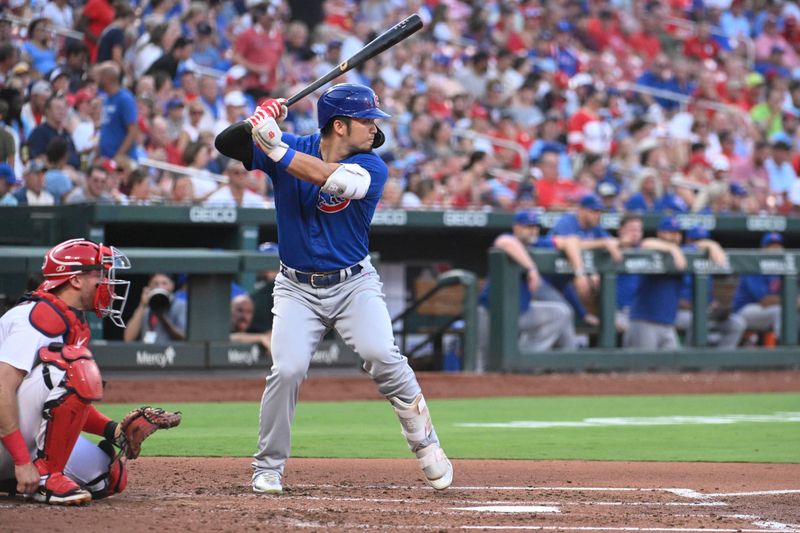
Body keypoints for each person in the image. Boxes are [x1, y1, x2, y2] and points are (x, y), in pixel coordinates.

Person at [215, 83, 453, 494]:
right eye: (366, 120)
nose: (375, 128)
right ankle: (267, 465)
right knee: (286, 369)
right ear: (339, 126)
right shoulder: (293, 142)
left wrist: (273, 148)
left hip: (353, 283)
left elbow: (332, 180)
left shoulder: (373, 166)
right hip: (296, 288)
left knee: (382, 354)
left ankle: (426, 443)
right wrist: (258, 121)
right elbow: (226, 143)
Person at [0, 238, 176, 504]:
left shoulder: (69, 320)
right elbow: (2, 388)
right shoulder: (36, 317)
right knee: (73, 365)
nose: (107, 282)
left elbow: (60, 403)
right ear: (76, 280)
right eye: (100, 274)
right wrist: (23, 461)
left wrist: (113, 431)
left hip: (11, 439)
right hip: (6, 440)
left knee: (107, 477)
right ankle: (46, 477)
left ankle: (21, 479)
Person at [477, 210, 581, 371]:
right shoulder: (509, 239)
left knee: (560, 312)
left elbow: (570, 240)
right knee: (484, 364)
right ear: (516, 228)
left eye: (535, 227)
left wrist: (580, 272)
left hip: (520, 313)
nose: (533, 230)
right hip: (491, 314)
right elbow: (504, 241)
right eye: (527, 227)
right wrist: (531, 269)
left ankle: (524, 363)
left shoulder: (538, 243)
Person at [675, 227, 745, 349]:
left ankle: (718, 363)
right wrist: (712, 245)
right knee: (697, 319)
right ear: (688, 240)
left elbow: (709, 298)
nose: (702, 244)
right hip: (681, 313)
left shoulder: (708, 262)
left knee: (737, 324)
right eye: (696, 240)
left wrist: (716, 307)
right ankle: (690, 361)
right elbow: (675, 300)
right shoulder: (681, 256)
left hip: (704, 313)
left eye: (704, 240)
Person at [731, 232, 789, 338]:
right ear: (763, 248)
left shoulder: (783, 267)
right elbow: (764, 300)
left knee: (787, 311)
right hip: (745, 310)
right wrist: (792, 301)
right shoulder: (754, 266)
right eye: (771, 245)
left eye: (778, 244)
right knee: (781, 311)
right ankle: (783, 349)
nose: (776, 248)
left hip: (770, 308)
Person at [123, 273, 186, 344]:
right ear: (149, 285)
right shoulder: (145, 305)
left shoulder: (179, 305)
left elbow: (184, 337)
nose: (160, 287)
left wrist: (163, 319)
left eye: (164, 283)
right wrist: (142, 305)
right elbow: (128, 338)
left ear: (172, 285)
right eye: (156, 283)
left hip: (170, 352)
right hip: (145, 353)